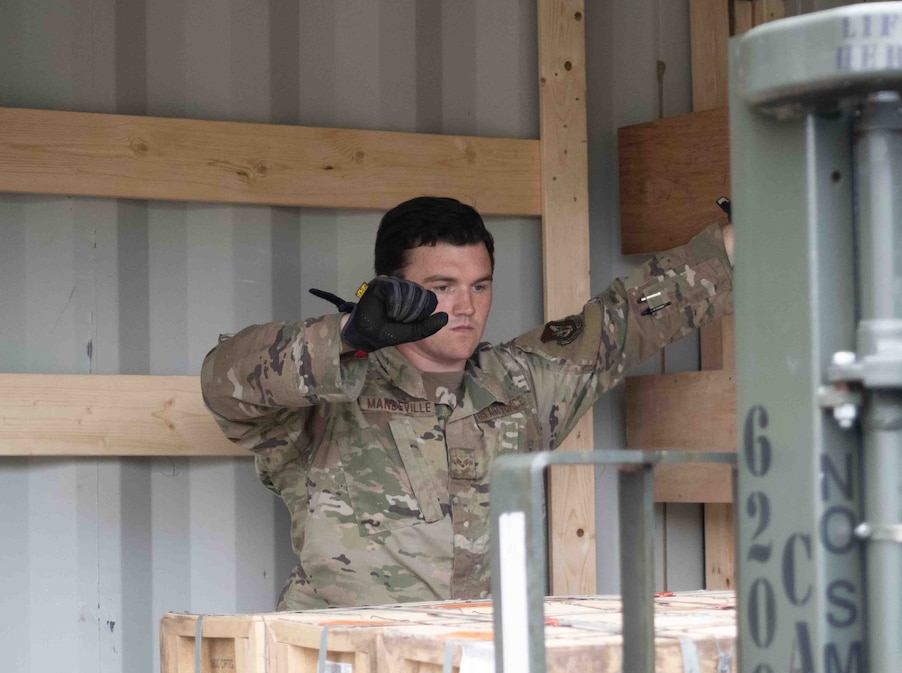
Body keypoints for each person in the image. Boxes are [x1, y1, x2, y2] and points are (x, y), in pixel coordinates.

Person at [201, 196, 732, 609]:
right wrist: (346, 334)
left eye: (480, 286)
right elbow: (224, 382)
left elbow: (630, 315)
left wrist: (736, 243)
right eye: (443, 286)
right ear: (391, 289)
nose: (466, 307)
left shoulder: (521, 383)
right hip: (344, 669)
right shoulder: (330, 389)